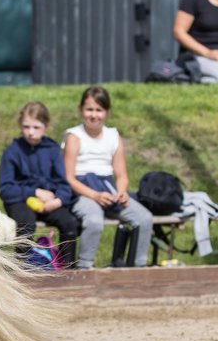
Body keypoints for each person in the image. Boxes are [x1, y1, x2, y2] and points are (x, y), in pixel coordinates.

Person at [63, 85, 154, 269]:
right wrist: (95, 196)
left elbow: (121, 174)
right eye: (89, 109)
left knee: (143, 218)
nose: (94, 115)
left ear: (107, 112)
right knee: (94, 219)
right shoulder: (74, 136)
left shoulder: (113, 136)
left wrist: (121, 191)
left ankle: (137, 267)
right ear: (81, 110)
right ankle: (84, 268)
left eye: (99, 110)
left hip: (107, 187)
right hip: (82, 190)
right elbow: (69, 178)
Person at [0, 101, 78, 268]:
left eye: (36, 127)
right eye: (26, 127)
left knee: (69, 222)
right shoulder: (13, 151)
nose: (31, 132)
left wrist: (57, 201)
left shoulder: (52, 149)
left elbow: (63, 184)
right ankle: (23, 268)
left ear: (46, 126)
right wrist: (34, 191)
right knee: (26, 222)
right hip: (20, 200)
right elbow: (5, 189)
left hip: (48, 202)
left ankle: (67, 268)